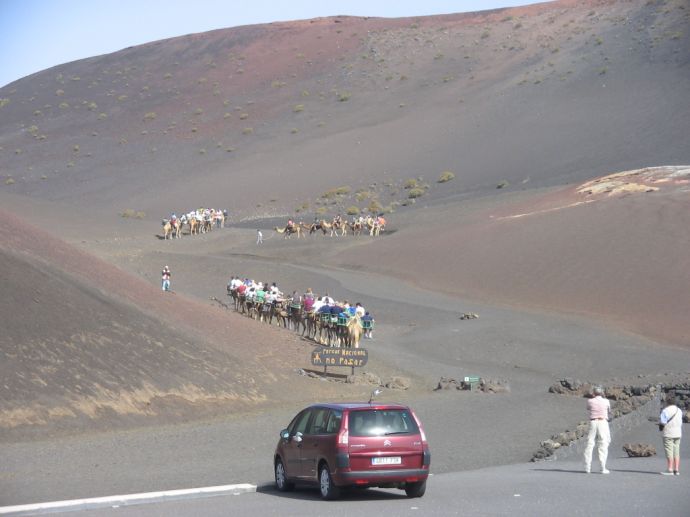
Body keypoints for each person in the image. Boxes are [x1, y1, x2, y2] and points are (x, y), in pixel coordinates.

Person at [583, 386, 612, 474]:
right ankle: (602, 467)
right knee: (603, 443)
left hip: (593, 422)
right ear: (602, 393)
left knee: (590, 443)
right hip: (603, 422)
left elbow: (588, 408)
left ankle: (587, 467)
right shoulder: (606, 401)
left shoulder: (590, 401)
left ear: (594, 393)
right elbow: (609, 411)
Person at [659, 395, 682, 475]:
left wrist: (660, 428)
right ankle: (676, 469)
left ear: (667, 402)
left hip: (668, 433)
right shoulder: (679, 410)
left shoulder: (665, 410)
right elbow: (680, 422)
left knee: (669, 451)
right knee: (676, 451)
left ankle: (670, 469)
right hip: (678, 433)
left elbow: (663, 422)